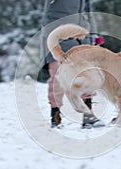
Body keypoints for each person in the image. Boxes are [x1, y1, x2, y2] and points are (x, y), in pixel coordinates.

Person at [41, 0, 105, 129]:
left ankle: (88, 117)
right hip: (58, 36)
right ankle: (55, 117)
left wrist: (93, 35)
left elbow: (88, 14)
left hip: (82, 37)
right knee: (58, 77)